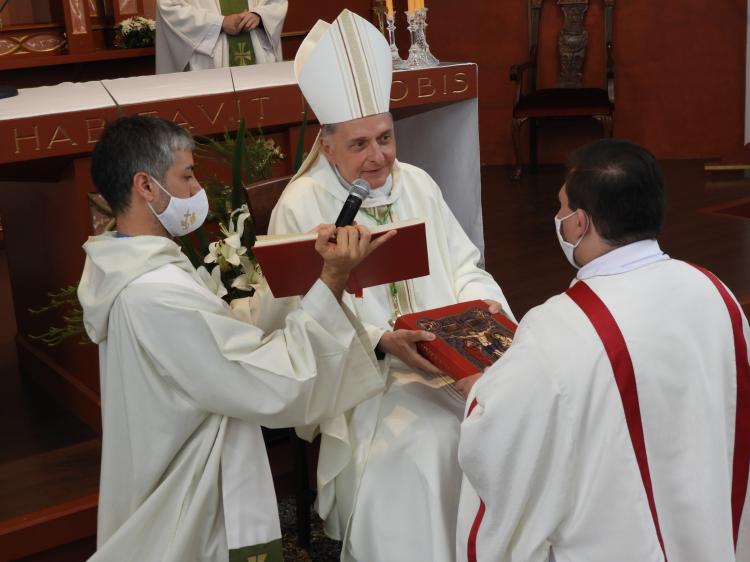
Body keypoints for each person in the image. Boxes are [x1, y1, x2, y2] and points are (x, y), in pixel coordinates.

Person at [247, 10, 515, 561]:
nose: (379, 157)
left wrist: (481, 307)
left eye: (386, 138)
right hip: (367, 379)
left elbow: (464, 262)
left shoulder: (416, 182)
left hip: (449, 356)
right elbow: (302, 311)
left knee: (507, 417)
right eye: (361, 144)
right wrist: (379, 340)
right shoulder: (304, 204)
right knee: (430, 445)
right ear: (327, 146)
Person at [78, 115, 395, 561]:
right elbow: (268, 381)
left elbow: (216, 340)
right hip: (190, 486)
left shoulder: (124, 263)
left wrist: (304, 274)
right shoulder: (156, 293)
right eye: (186, 176)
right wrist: (332, 279)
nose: (195, 190)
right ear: (145, 186)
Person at [456, 139, 750, 562]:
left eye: (560, 208)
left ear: (579, 223)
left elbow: (504, 440)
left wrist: (476, 394)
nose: (557, 218)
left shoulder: (556, 325)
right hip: (708, 525)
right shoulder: (715, 291)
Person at [155, 0, 287, 74]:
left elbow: (276, 3)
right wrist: (219, 23)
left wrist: (258, 15)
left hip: (257, 50)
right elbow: (169, 6)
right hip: (209, 59)